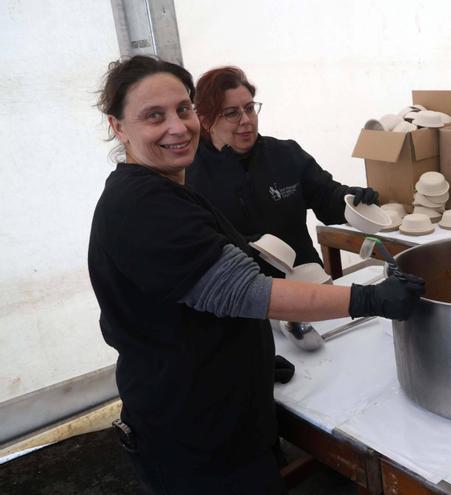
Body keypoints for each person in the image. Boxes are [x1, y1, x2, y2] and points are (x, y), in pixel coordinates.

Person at [89, 55, 425, 493]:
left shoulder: (178, 183)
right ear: (118, 127)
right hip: (195, 435)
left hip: (226, 405)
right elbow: (244, 291)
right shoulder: (144, 205)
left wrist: (252, 362)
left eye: (181, 109)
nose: (177, 127)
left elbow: (190, 306)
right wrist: (369, 299)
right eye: (154, 116)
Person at [186, 66, 379, 271]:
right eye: (232, 113)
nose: (246, 120)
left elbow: (326, 196)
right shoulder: (191, 176)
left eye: (249, 108)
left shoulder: (285, 154)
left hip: (306, 275)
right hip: (244, 284)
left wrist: (350, 199)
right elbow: (197, 247)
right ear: (206, 121)